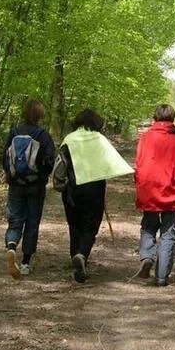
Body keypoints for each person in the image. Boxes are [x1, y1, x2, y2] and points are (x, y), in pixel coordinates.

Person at [52, 109, 133, 283]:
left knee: (74, 224)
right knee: (90, 225)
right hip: (94, 188)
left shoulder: (69, 139)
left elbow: (60, 165)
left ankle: (75, 256)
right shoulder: (100, 139)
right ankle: (82, 254)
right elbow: (111, 162)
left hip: (72, 189)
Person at [134, 104, 175, 287]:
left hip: (149, 189)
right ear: (173, 118)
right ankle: (161, 276)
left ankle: (147, 257)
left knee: (148, 225)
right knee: (169, 232)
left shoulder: (145, 138)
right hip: (172, 190)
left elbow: (139, 163)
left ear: (155, 117)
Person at [2, 98, 55, 279]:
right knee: (32, 221)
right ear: (40, 115)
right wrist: (42, 177)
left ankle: (11, 246)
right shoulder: (43, 135)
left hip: (15, 184)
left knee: (15, 219)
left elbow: (4, 158)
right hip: (36, 186)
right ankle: (25, 263)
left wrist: (10, 175)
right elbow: (49, 161)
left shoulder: (14, 132)